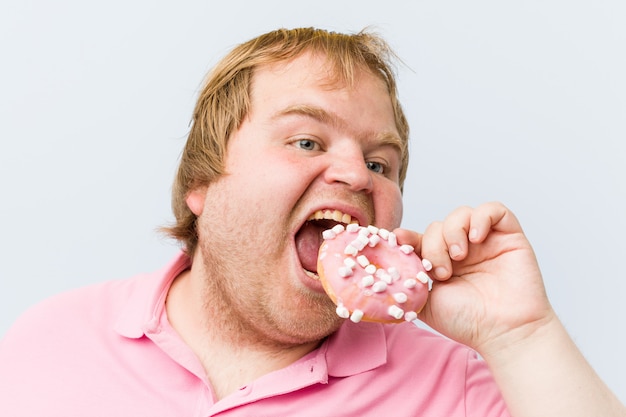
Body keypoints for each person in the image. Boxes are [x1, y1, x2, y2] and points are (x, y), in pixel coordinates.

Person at [0, 27, 623, 417]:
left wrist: (523, 336)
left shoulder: (456, 387)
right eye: (306, 142)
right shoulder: (47, 340)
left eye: (382, 162)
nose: (357, 175)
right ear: (202, 182)